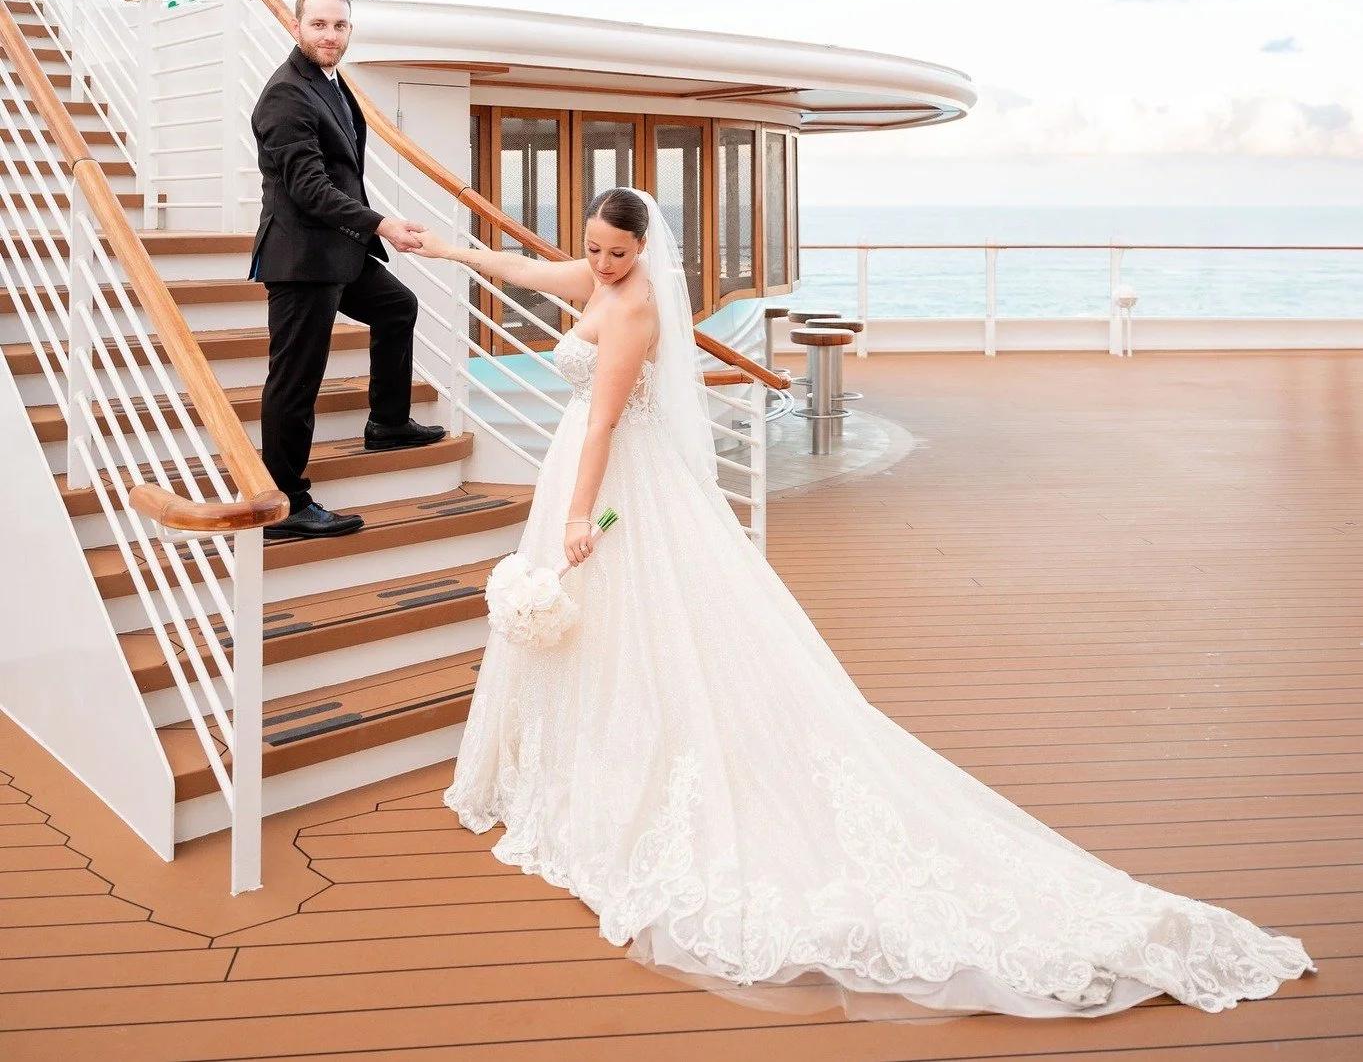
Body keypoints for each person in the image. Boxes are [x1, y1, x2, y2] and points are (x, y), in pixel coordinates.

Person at [412, 187, 1312, 1020]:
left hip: (610, 480)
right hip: (584, 468)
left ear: (643, 249)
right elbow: (523, 270)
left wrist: (579, 516)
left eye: (615, 253)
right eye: (592, 250)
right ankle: (581, 764)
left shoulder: (637, 306)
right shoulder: (597, 280)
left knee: (647, 621)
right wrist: (448, 250)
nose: (601, 265)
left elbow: (607, 419)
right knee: (608, 634)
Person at [250, 0, 444, 540]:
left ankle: (387, 423)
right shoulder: (285, 95)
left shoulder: (331, 83)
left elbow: (342, 172)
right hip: (302, 259)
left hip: (340, 250)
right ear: (295, 27)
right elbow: (309, 189)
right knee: (295, 382)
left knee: (397, 307)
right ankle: (285, 505)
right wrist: (381, 224)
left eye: (339, 25)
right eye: (318, 24)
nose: (330, 35)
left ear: (349, 30)